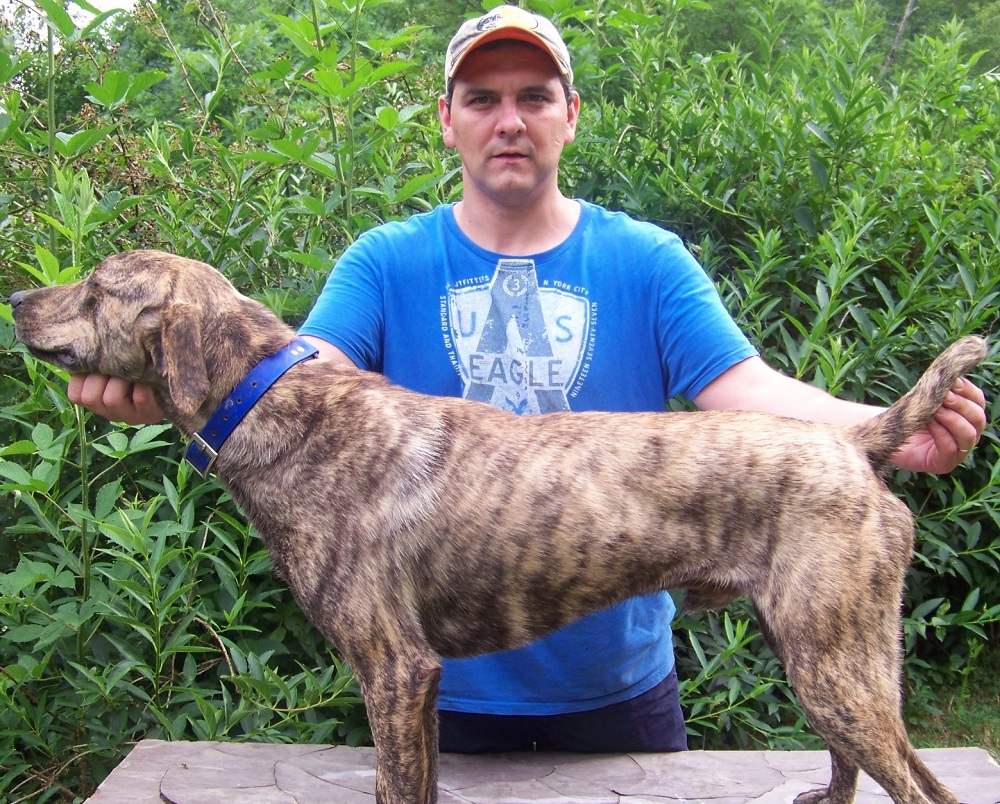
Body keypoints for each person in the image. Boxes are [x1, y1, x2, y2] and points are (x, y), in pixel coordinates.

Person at [69, 5, 986, 755]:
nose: (509, 120)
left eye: (534, 97)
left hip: (621, 692)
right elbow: (295, 391)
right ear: (447, 118)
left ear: (570, 114)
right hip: (451, 698)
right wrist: (173, 386)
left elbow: (744, 390)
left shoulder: (646, 259)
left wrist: (882, 427)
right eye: (482, 98)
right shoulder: (385, 260)